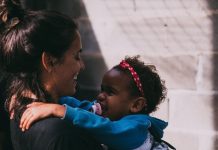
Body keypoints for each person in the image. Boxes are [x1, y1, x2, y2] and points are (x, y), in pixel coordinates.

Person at [0, 0, 103, 150]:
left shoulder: (17, 108)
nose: (82, 65)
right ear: (49, 61)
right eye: (76, 56)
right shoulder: (63, 134)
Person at [20, 56, 175, 150]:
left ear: (136, 105)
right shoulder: (111, 112)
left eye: (110, 92)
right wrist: (49, 99)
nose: (101, 96)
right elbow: (84, 108)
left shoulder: (136, 128)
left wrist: (59, 110)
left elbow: (106, 128)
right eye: (102, 89)